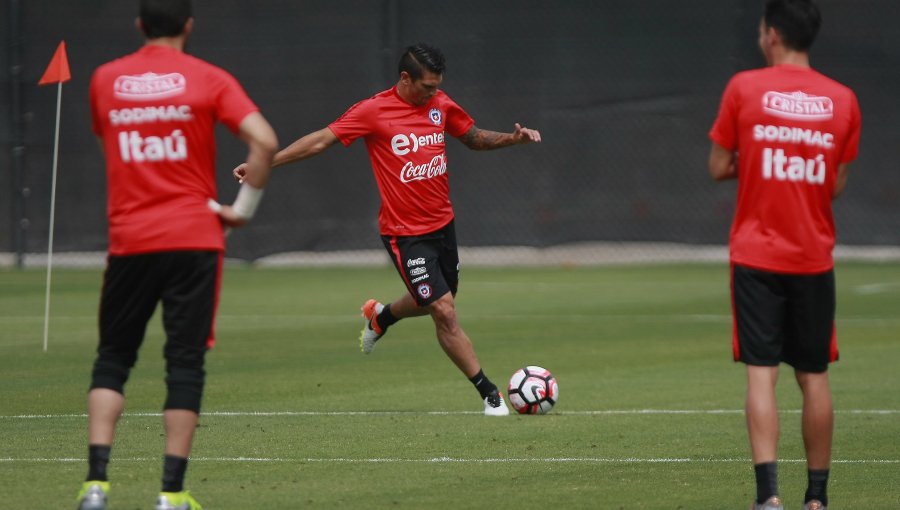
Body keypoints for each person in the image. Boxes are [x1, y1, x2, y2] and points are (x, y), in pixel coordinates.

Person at [234, 43, 541, 416]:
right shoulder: (373, 110)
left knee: (437, 299)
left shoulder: (440, 104)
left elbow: (472, 137)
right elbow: (321, 139)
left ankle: (382, 316)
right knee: (443, 310)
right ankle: (489, 393)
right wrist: (268, 163)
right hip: (404, 233)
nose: (433, 93)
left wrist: (512, 139)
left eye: (436, 86)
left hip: (443, 225)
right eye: (427, 86)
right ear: (405, 78)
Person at [76, 1, 277, 509]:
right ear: (189, 26)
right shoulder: (208, 78)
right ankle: (170, 494)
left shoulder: (105, 79)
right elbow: (264, 140)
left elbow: (112, 153)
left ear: (139, 25)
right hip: (194, 237)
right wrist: (242, 210)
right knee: (184, 364)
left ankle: (96, 486)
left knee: (112, 360)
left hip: (131, 238)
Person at [708, 1, 861, 509]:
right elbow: (834, 184)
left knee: (761, 373)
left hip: (756, 255)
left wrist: (760, 160)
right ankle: (816, 500)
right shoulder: (843, 100)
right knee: (814, 376)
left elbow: (718, 165)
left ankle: (768, 498)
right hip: (813, 256)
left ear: (771, 34)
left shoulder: (744, 88)